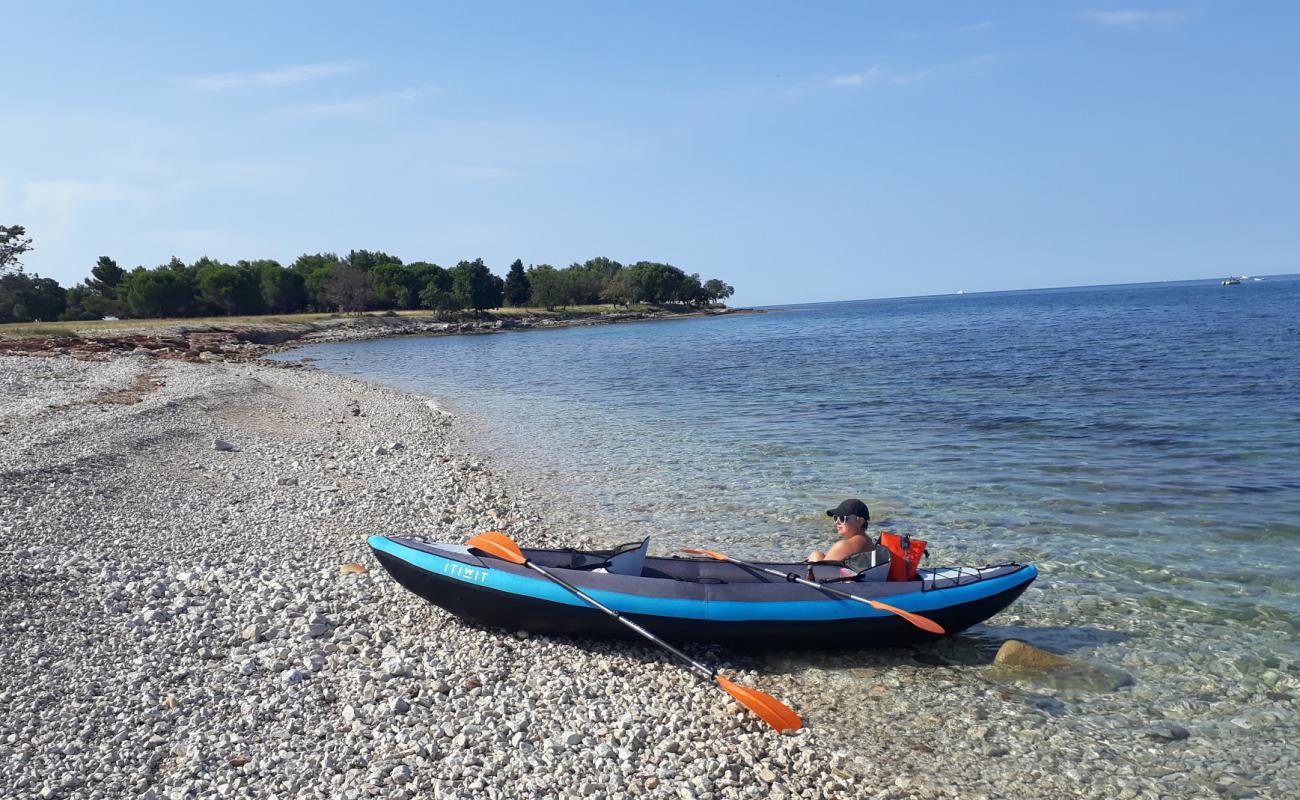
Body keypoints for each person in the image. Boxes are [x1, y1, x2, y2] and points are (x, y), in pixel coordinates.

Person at [807, 499, 872, 563]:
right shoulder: (869, 542)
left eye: (842, 518)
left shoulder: (843, 546)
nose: (837, 522)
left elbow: (821, 570)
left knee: (816, 555)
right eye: (836, 518)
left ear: (860, 522)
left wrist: (815, 556)